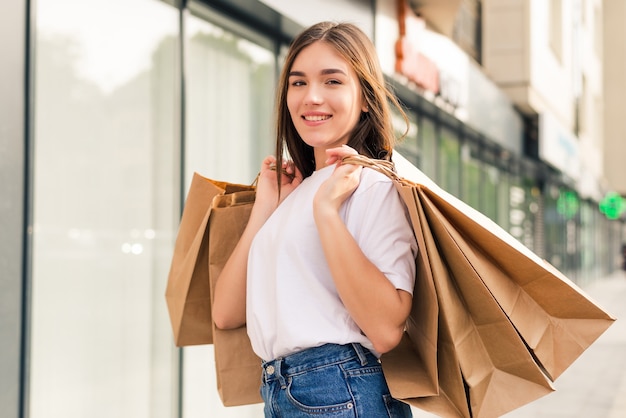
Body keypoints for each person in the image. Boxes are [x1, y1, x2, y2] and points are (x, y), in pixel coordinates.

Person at [212, 21, 417, 417]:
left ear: (365, 98)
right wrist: (265, 207)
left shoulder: (371, 185)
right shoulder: (299, 191)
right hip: (284, 389)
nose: (312, 97)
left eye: (333, 81)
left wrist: (327, 213)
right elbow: (225, 313)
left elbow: (388, 329)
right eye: (298, 82)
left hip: (338, 387)